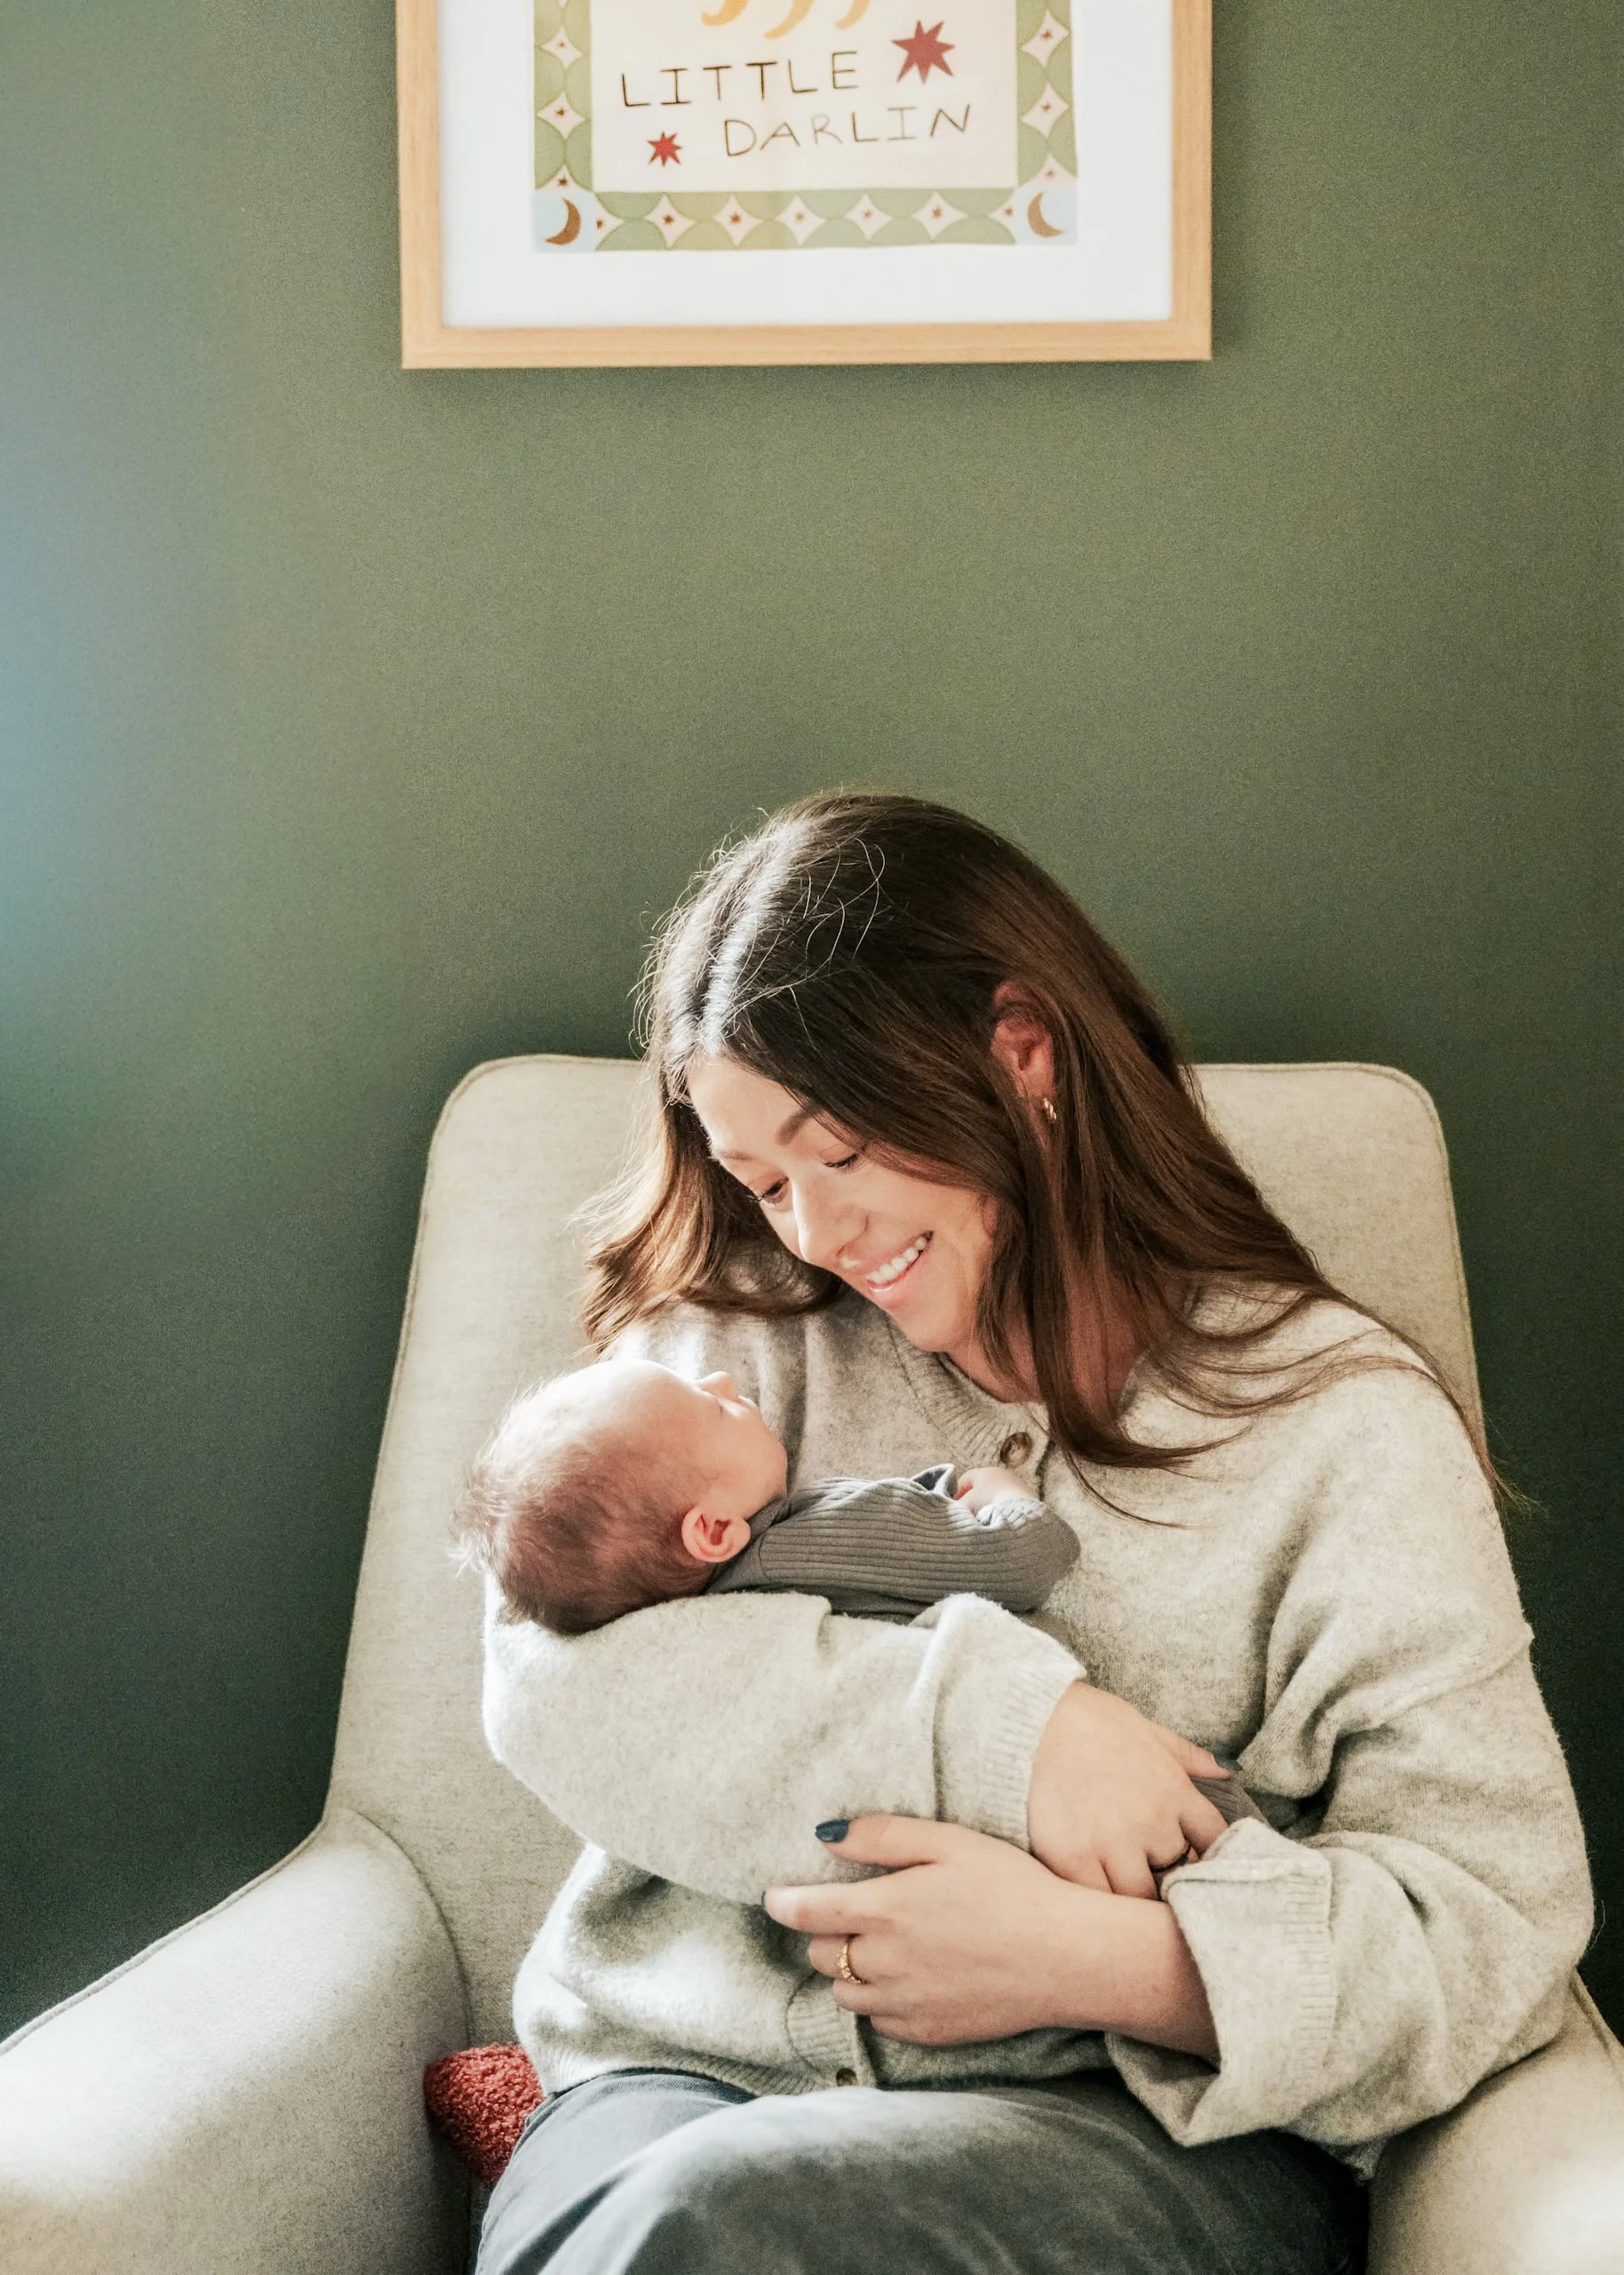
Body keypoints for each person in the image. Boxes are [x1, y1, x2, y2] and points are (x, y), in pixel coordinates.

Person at [474, 792, 1591, 2275]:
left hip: (1127, 2127)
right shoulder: (736, 1358)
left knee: (715, 2225)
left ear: (1020, 1049)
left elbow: (1495, 1917)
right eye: (761, 1178)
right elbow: (553, 1678)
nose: (811, 1230)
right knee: (676, 2212)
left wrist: (1119, 1963)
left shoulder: (1341, 1430)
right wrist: (1019, 1738)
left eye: (842, 1146)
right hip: (672, 2085)